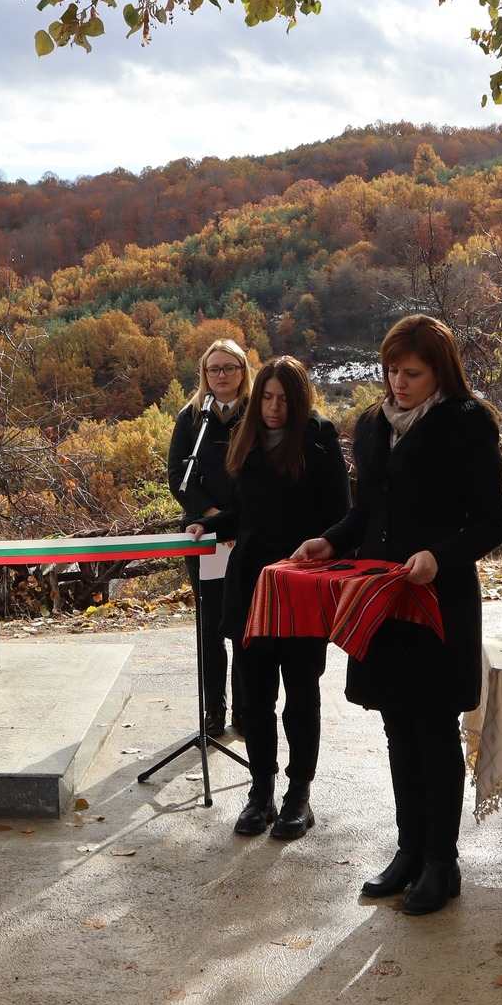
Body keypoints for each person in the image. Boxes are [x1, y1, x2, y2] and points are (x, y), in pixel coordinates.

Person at [295, 315, 502, 915]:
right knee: (396, 727)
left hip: (438, 601)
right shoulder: (370, 424)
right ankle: (410, 850)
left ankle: (444, 862)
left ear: (439, 371)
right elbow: (366, 511)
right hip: (381, 601)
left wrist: (438, 556)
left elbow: (492, 521)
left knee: (434, 729)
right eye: (391, 371)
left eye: (412, 373)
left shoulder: (467, 424)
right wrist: (331, 542)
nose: (398, 383)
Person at [188, 357, 349, 839]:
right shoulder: (247, 437)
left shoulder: (320, 441)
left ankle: (298, 795)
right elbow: (241, 513)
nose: (274, 407)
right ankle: (260, 791)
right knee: (254, 700)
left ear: (298, 401)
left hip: (300, 585)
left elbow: (341, 517)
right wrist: (208, 524)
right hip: (251, 587)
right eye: (267, 397)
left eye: (283, 399)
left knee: (300, 697)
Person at [167, 339, 252, 737]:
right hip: (204, 533)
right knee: (212, 627)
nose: (221, 375)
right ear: (204, 373)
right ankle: (214, 712)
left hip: (249, 535)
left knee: (247, 627)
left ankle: (246, 711)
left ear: (242, 371)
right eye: (213, 369)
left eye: (229, 368)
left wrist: (235, 519)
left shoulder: (257, 414)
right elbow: (178, 479)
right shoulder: (191, 418)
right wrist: (215, 517)